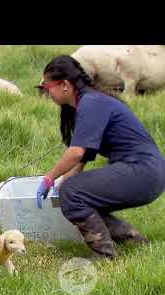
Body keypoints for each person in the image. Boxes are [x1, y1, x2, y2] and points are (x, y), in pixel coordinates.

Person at [35, 55, 165, 259]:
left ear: (65, 85)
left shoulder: (91, 103)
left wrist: (49, 178)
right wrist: (68, 179)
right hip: (148, 171)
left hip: (143, 171)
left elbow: (76, 151)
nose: (46, 92)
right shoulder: (89, 101)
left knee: (72, 193)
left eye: (47, 86)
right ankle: (132, 239)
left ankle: (106, 256)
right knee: (75, 190)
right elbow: (85, 154)